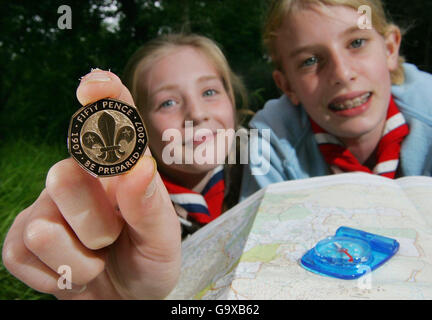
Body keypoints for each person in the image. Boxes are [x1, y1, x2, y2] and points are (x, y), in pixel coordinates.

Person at [2, 33, 247, 299]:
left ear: (233, 100)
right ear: (138, 125)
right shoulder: (126, 223)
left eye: (209, 92)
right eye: (168, 102)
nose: (197, 113)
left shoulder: (263, 170)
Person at [240, 0, 432, 199]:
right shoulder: (272, 147)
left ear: (390, 49)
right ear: (287, 86)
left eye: (356, 43)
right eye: (310, 61)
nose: (342, 73)